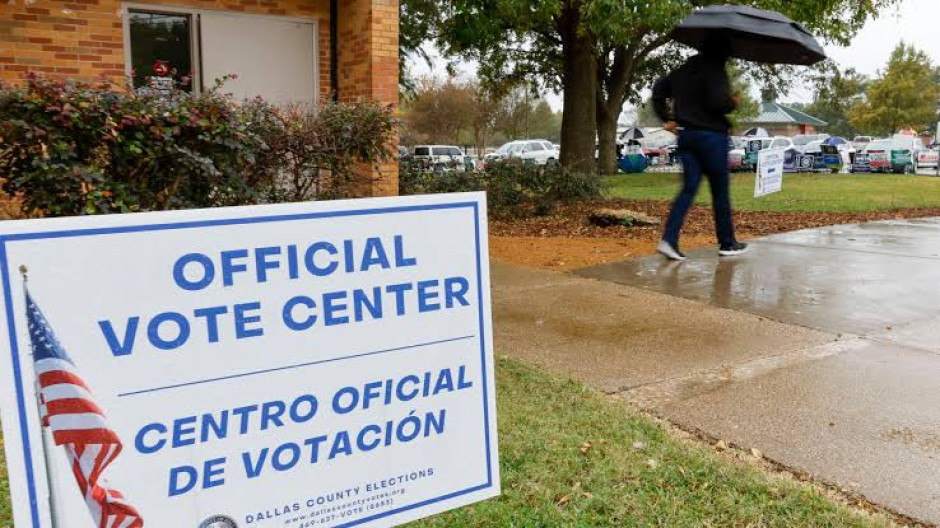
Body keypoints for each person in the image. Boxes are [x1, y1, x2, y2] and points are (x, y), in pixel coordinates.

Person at [651, 36, 748, 261]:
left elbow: (658, 91)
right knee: (720, 190)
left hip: (686, 136)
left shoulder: (681, 71)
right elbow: (717, 103)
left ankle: (669, 239)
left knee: (688, 188)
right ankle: (727, 242)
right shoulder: (715, 69)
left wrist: (667, 118)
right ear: (721, 51)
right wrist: (732, 102)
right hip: (711, 138)